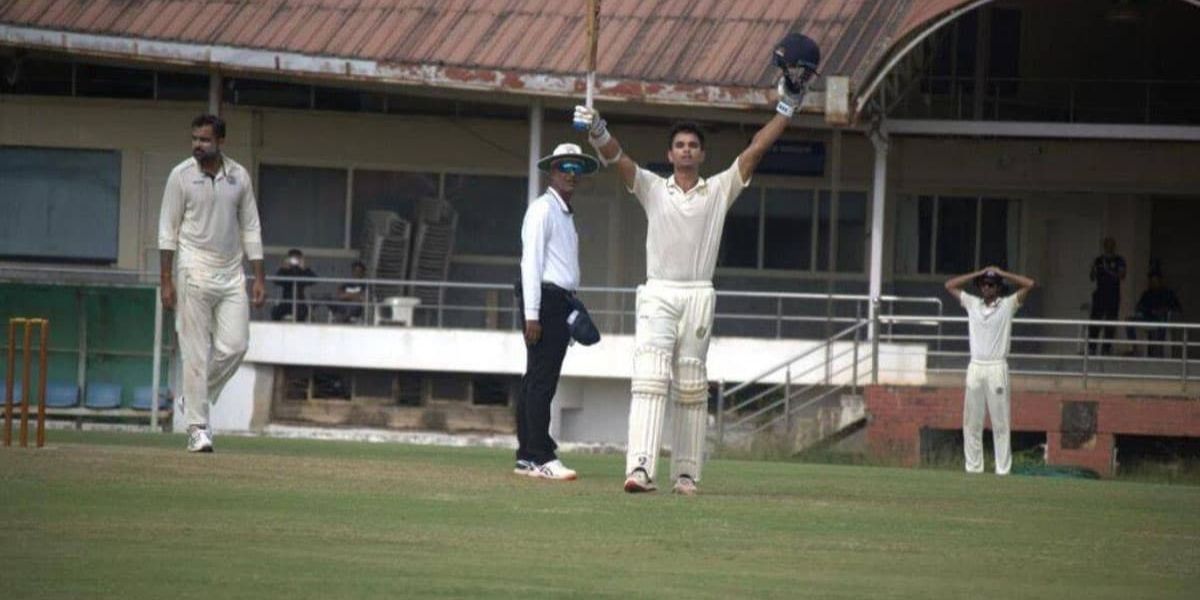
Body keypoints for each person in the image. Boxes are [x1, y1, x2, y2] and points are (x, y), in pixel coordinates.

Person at [572, 37, 818, 495]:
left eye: (692, 146)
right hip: (659, 293)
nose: (685, 151)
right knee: (648, 379)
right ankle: (640, 469)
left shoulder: (719, 189)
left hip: (699, 295)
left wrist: (786, 110)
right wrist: (598, 131)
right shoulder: (652, 188)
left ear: (701, 155)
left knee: (690, 387)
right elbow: (619, 162)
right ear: (669, 155)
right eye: (679, 146)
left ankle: (685, 474)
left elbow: (754, 151)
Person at [158, 113, 265, 453]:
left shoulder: (239, 176)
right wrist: (166, 280)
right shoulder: (181, 176)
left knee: (235, 346)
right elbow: (167, 231)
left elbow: (251, 227)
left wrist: (259, 275)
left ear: (220, 141)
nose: (197, 145)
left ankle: (192, 398)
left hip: (232, 272)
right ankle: (197, 428)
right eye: (194, 139)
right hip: (193, 269)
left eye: (204, 140)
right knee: (194, 354)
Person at [513, 143, 599, 481]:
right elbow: (530, 263)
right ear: (552, 171)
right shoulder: (543, 210)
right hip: (545, 301)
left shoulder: (563, 212)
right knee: (541, 381)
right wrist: (531, 313)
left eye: (576, 168)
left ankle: (526, 456)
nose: (570, 174)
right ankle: (540, 455)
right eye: (564, 167)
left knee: (537, 379)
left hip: (558, 301)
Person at [944, 267, 1036, 476]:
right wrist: (978, 273)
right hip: (975, 366)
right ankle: (973, 468)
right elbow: (949, 285)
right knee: (971, 422)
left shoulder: (1007, 305)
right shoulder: (972, 303)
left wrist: (1002, 273)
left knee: (1001, 423)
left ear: (998, 287)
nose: (987, 288)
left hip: (996, 367)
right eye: (984, 284)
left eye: (992, 284)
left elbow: (1029, 284)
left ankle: (1003, 470)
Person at [1127, 272, 1182, 358]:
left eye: (1155, 281)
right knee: (1129, 321)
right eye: (1151, 281)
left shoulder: (1168, 293)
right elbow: (1139, 307)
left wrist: (1165, 310)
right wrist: (1142, 311)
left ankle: (1158, 352)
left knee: (1161, 322)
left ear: (1160, 281)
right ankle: (1135, 349)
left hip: (1162, 320)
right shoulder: (1147, 294)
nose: (1153, 283)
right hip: (1147, 318)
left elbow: (1177, 308)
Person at [1088, 237, 1125, 355]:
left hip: (1113, 295)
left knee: (1110, 323)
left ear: (1114, 246)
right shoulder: (1098, 260)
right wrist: (1093, 269)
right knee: (1095, 322)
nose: (1108, 247)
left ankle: (1106, 349)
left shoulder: (1119, 260)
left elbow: (1122, 275)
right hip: (1100, 295)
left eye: (1111, 245)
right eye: (1106, 245)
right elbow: (1092, 278)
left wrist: (1107, 269)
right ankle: (1092, 347)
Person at [270, 248, 317, 322]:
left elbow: (314, 280)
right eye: (292, 259)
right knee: (275, 312)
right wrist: (284, 268)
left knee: (303, 314)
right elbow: (276, 281)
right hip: (286, 301)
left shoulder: (303, 271)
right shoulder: (285, 271)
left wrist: (304, 268)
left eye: (297, 259)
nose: (294, 261)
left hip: (300, 301)